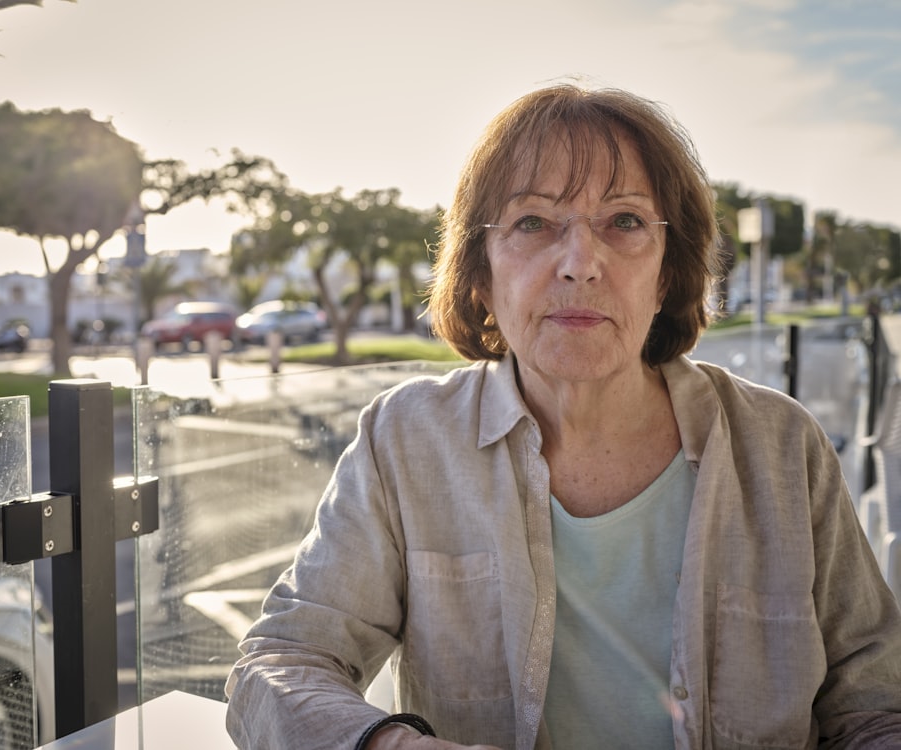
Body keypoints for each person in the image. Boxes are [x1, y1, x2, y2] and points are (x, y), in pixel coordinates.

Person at [225, 82, 901, 749]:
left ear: (666, 274)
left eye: (625, 222)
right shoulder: (406, 442)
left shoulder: (781, 447)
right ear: (480, 277)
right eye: (533, 223)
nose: (581, 264)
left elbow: (876, 707)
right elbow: (279, 664)